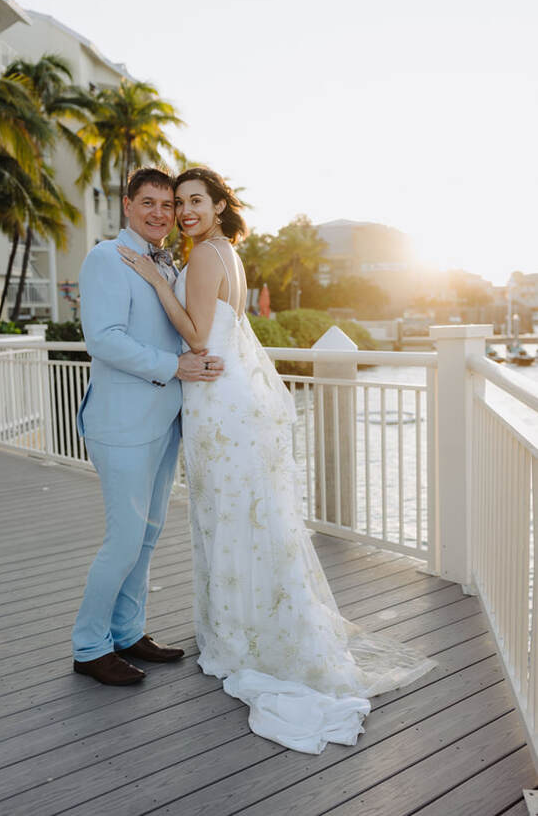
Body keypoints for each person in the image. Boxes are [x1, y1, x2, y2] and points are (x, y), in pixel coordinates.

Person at [117, 167, 436, 753]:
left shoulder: (207, 257)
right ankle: (250, 624)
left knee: (231, 513)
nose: (184, 211)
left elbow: (195, 336)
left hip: (218, 397)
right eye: (178, 202)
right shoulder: (226, 252)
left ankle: (241, 637)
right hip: (233, 393)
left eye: (195, 201)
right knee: (248, 512)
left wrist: (157, 283)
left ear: (217, 206)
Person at [72, 167, 224, 686]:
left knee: (149, 535)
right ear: (127, 206)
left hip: (165, 420)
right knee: (123, 539)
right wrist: (174, 367)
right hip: (121, 423)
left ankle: (128, 631)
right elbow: (105, 340)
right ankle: (90, 647)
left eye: (169, 204)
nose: (162, 213)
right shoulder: (104, 259)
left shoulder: (166, 259)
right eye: (150, 203)